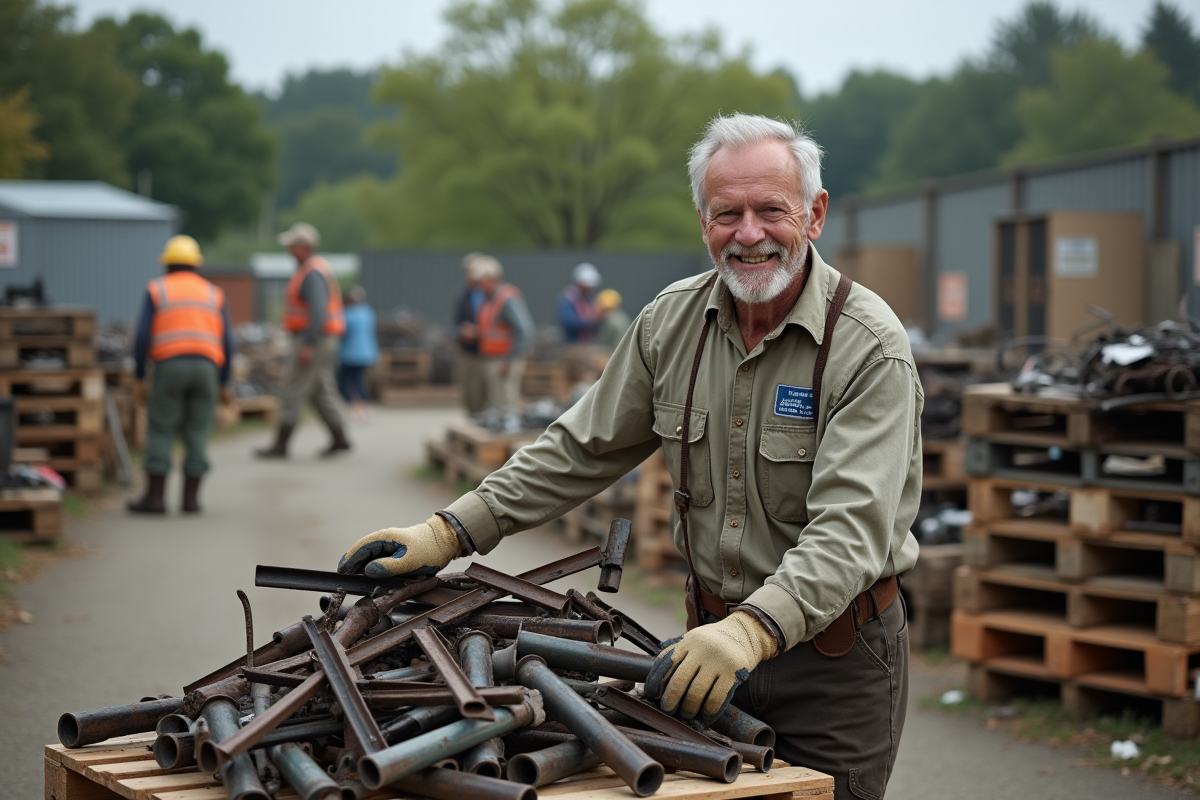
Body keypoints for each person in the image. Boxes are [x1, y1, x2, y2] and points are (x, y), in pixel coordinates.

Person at [336, 113, 922, 799]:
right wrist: (451, 529)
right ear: (703, 222)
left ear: (814, 215)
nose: (748, 234)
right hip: (707, 652)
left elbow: (850, 530)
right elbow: (578, 448)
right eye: (726, 214)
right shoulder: (670, 324)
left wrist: (753, 631)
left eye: (771, 210)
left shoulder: (867, 347)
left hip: (834, 668)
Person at [128, 235, 234, 515]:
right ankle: (191, 501)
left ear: (167, 264)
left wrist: (140, 375)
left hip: (170, 366)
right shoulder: (213, 293)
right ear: (196, 264)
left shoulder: (157, 289)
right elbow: (228, 341)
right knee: (198, 430)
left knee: (161, 428)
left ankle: (155, 500)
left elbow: (142, 337)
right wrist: (225, 381)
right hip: (207, 369)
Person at [255, 222, 351, 458]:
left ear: (304, 247)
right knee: (319, 391)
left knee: (294, 389)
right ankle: (340, 439)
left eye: (292, 246)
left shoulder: (312, 274)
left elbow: (318, 313)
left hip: (313, 339)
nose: (288, 250)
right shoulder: (313, 270)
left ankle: (280, 444)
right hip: (321, 338)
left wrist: (308, 344)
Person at [471, 254, 535, 411]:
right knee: (496, 404)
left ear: (491, 278)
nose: (479, 286)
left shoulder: (507, 299)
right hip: (492, 358)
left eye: (481, 281)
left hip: (504, 359)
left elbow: (524, 331)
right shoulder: (489, 298)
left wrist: (509, 360)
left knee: (506, 404)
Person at [337, 285, 378, 421]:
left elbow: (341, 332)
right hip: (367, 354)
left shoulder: (346, 314)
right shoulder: (368, 312)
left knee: (344, 382)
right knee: (358, 381)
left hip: (350, 355)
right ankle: (363, 407)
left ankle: (356, 407)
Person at [454, 253, 488, 415]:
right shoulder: (463, 297)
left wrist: (481, 332)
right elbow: (454, 324)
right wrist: (461, 331)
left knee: (484, 393)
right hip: (468, 351)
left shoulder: (491, 296)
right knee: (470, 394)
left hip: (487, 353)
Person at [557, 262, 601, 342]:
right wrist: (592, 319)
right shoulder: (569, 298)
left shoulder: (587, 299)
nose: (590, 289)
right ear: (580, 284)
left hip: (587, 342)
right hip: (572, 343)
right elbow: (569, 322)